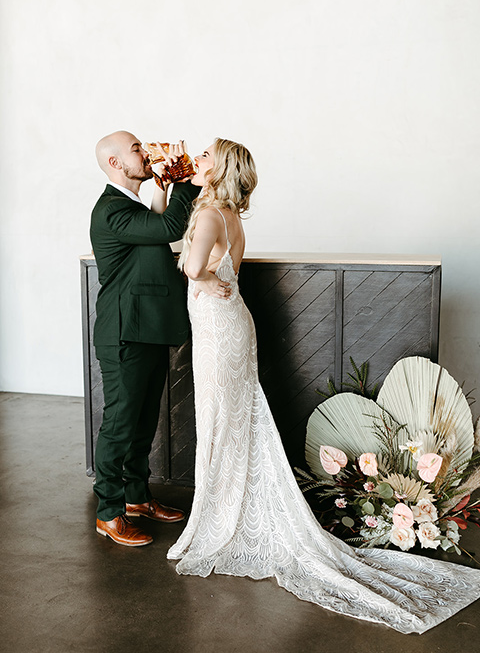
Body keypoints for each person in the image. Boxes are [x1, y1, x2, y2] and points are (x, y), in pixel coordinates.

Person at [167, 137, 480, 634]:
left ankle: (216, 520)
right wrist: (203, 269)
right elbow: (202, 264)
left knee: (219, 421)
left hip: (218, 332)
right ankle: (230, 508)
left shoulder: (207, 217)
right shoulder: (230, 218)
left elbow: (187, 264)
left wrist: (198, 272)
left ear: (220, 167)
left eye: (205, 155)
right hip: (230, 325)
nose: (197, 161)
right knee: (233, 421)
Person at [90, 131, 213, 547]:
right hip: (124, 334)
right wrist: (186, 180)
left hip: (147, 330)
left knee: (143, 425)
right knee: (120, 426)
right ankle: (109, 512)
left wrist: (166, 188)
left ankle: (137, 499)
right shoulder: (110, 210)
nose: (146, 154)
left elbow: (158, 229)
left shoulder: (129, 206)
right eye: (136, 150)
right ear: (114, 164)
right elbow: (170, 227)